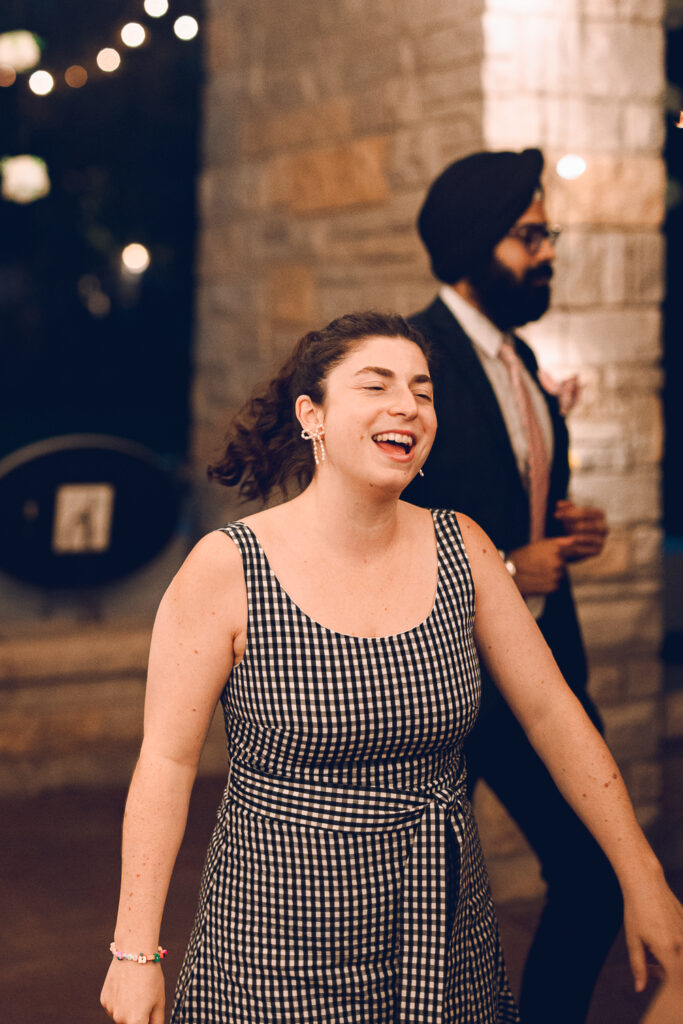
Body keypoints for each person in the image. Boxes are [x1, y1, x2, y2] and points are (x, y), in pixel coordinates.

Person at [100, 311, 683, 1024]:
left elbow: (552, 713)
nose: (407, 405)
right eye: (375, 385)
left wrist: (640, 875)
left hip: (443, 934)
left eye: (422, 390)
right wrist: (133, 953)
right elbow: (165, 761)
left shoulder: (462, 548)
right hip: (274, 943)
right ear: (311, 415)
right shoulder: (229, 568)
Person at [403, 148, 627, 1022]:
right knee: (432, 910)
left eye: (546, 233)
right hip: (444, 679)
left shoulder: (522, 360)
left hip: (540, 670)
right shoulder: (413, 360)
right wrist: (500, 569)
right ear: (471, 244)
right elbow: (381, 527)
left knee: (596, 871)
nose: (547, 251)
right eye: (528, 235)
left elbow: (507, 492)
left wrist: (565, 526)